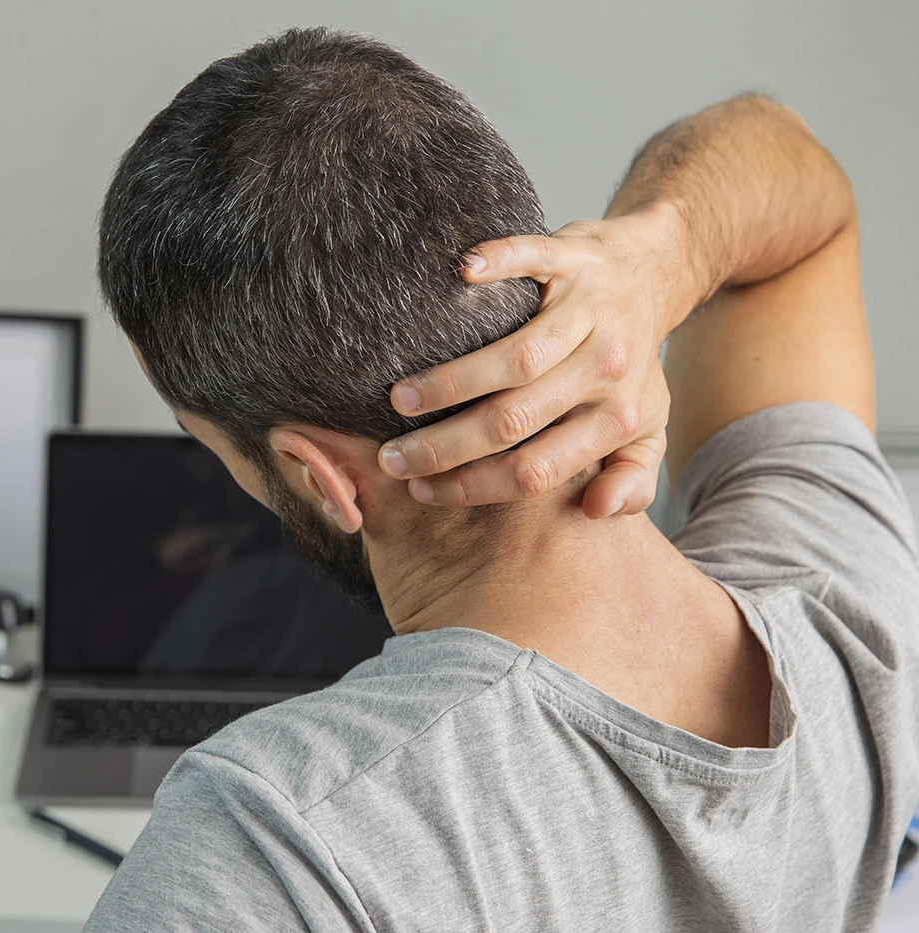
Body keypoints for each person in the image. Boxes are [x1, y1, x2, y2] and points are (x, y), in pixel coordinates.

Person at [85, 26, 919, 932]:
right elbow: (793, 176)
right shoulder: (847, 599)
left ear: (317, 473)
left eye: (212, 445)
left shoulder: (279, 842)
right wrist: (654, 260)